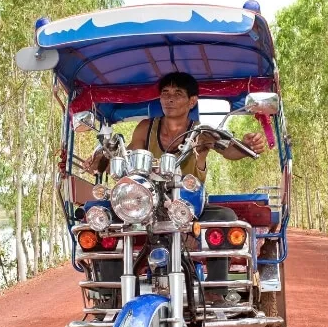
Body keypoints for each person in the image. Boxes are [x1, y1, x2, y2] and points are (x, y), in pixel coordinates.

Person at [84, 72, 267, 305]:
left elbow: (229, 151)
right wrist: (101, 160)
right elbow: (126, 155)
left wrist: (248, 146)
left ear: (192, 101)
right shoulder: (145, 128)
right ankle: (111, 297)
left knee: (225, 218)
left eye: (178, 94)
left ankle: (216, 293)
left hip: (188, 208)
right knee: (104, 220)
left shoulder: (202, 133)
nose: (169, 99)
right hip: (146, 208)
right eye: (165, 94)